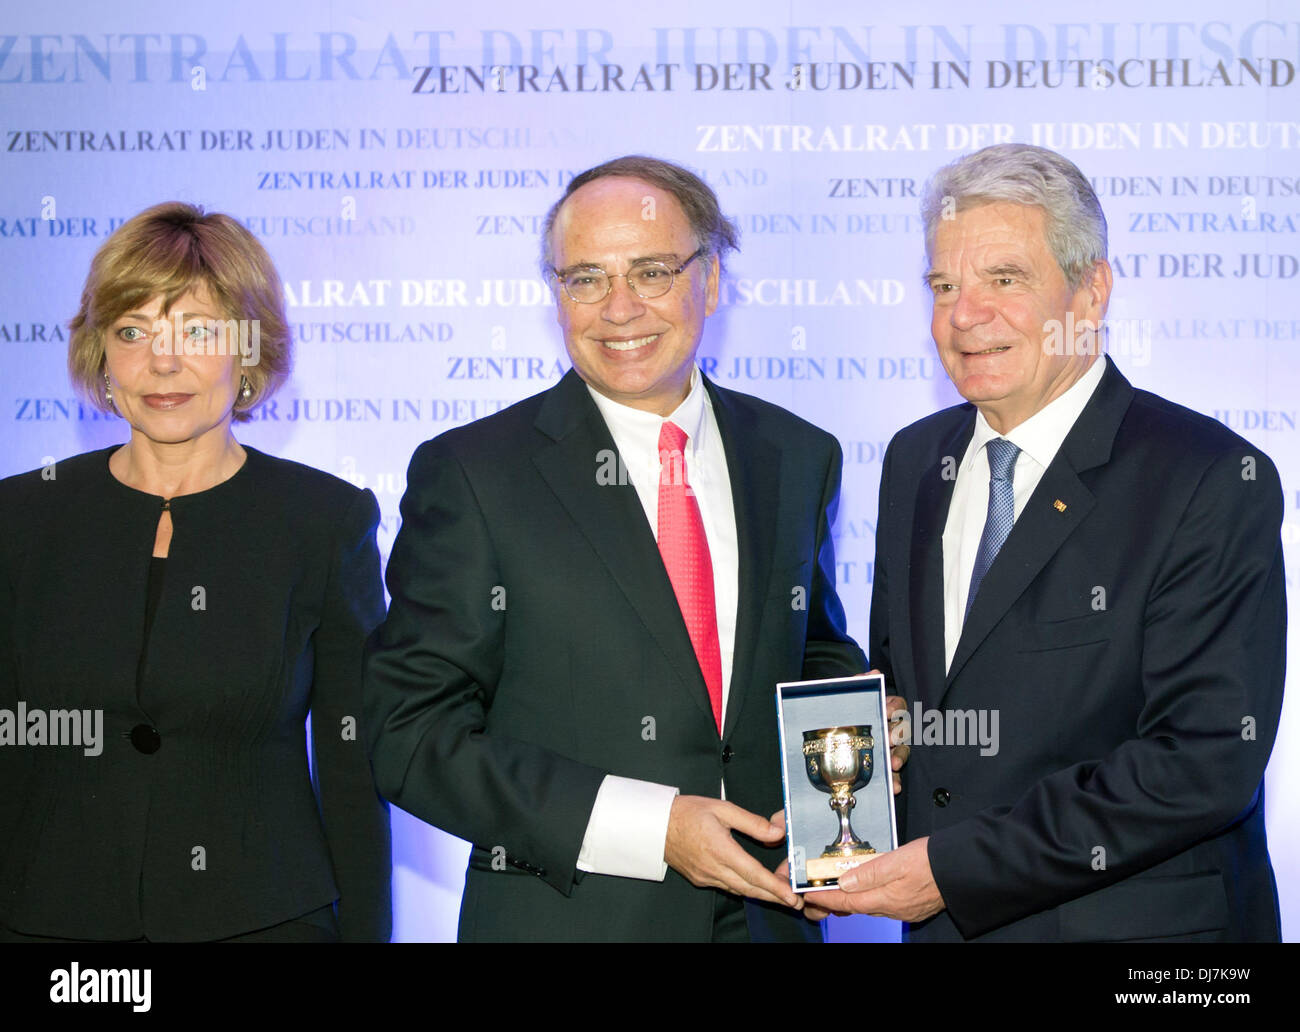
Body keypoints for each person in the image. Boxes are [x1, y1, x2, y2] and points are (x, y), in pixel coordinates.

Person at [363, 155, 874, 942]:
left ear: (710, 281)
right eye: (585, 279)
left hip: (775, 919)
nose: (619, 308)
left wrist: (861, 735)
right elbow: (409, 735)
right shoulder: (473, 474)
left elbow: (809, 650)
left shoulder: (796, 454)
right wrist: (652, 825)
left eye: (651, 271)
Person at [806, 143, 1285, 941]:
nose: (964, 315)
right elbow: (918, 691)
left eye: (1005, 280)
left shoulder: (1207, 476)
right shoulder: (916, 459)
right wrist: (883, 737)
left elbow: (1201, 762)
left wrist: (955, 871)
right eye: (944, 285)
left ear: (1091, 291)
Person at [0, 202, 392, 942]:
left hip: (264, 919)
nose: (163, 362)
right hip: (50, 928)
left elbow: (351, 766)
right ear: (101, 355)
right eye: (133, 332)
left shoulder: (323, 520)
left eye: (199, 332)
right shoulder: (22, 517)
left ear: (249, 352)